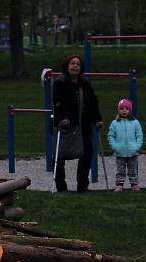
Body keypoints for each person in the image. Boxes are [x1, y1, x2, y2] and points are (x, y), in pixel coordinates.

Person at [52, 55, 102, 192]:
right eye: (72, 63)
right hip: (66, 124)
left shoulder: (85, 83)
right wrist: (61, 118)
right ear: (67, 66)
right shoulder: (60, 82)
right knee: (60, 156)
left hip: (83, 123)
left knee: (87, 153)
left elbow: (93, 101)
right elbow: (57, 102)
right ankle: (61, 187)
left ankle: (82, 185)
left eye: (78, 64)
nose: (75, 66)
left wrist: (97, 119)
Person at [107, 98, 142, 192]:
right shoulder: (114, 123)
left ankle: (134, 184)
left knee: (133, 169)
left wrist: (137, 147)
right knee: (120, 170)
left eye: (126, 108)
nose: (124, 110)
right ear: (119, 110)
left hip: (132, 152)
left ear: (130, 110)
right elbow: (110, 136)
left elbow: (139, 136)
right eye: (122, 108)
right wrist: (115, 147)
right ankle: (119, 185)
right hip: (120, 152)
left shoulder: (135, 122)